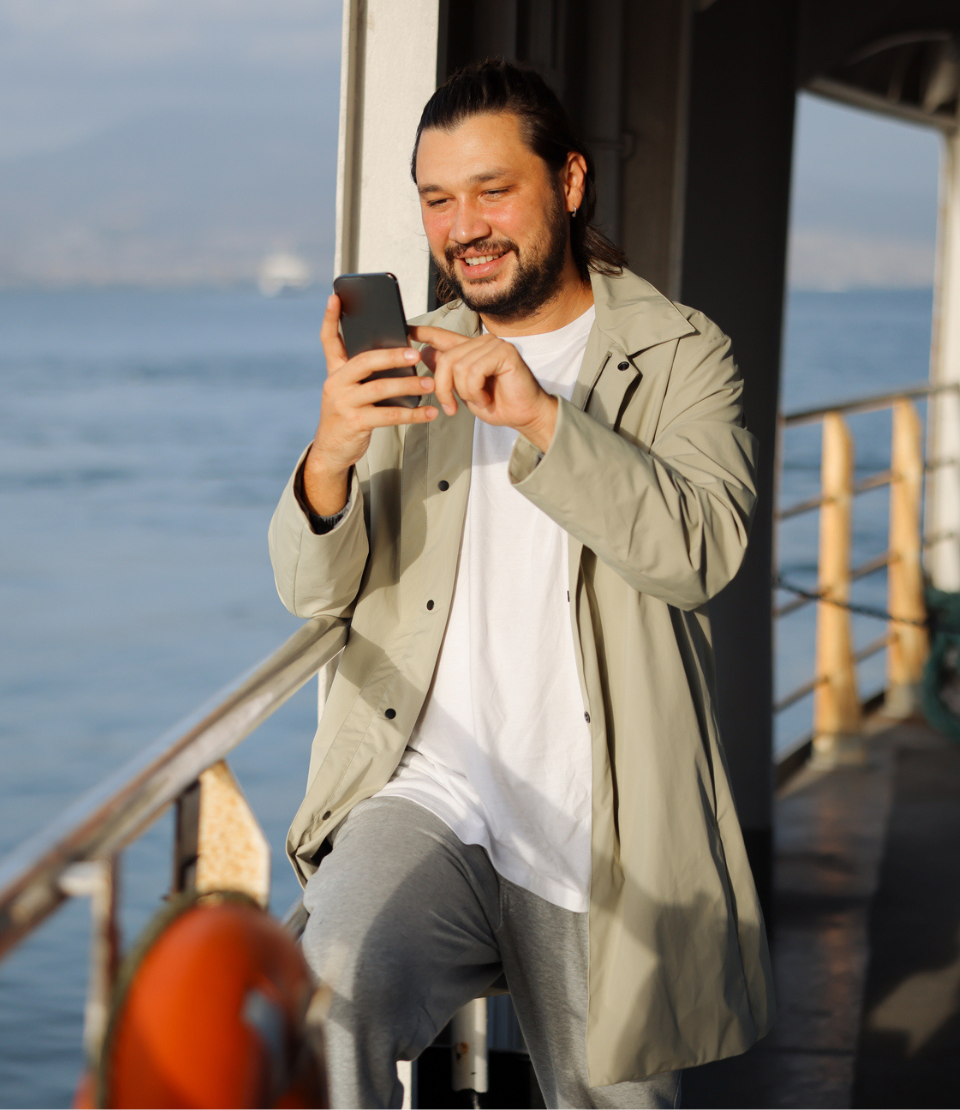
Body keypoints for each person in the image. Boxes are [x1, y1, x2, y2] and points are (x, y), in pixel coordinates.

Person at [269, 59, 774, 1110]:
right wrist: (331, 452)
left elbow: (701, 552)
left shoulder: (682, 355)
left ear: (571, 183)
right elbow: (313, 594)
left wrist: (542, 417)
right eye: (439, 199)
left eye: (493, 190)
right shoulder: (420, 354)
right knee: (326, 1003)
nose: (465, 226)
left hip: (602, 822)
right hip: (430, 794)